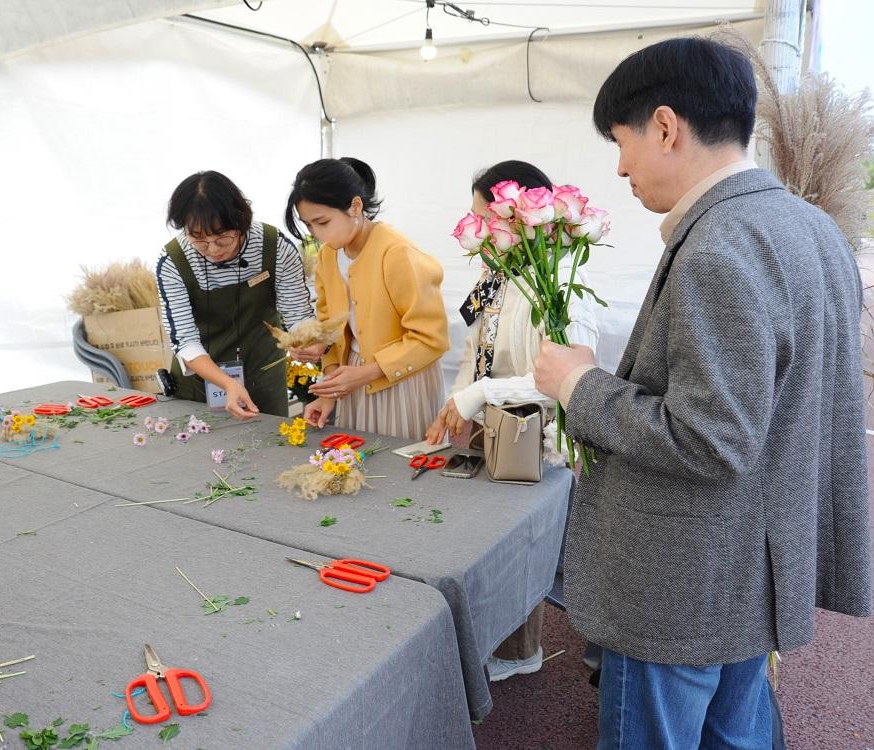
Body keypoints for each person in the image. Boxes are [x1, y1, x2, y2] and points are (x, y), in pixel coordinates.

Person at [533, 37, 872, 748]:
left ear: (664, 126)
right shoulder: (810, 227)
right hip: (753, 567)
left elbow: (710, 436)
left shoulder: (720, 244)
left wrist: (578, 385)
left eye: (621, 142)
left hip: (681, 585)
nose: (619, 166)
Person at [425, 160, 600, 682]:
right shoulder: (494, 272)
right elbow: (472, 346)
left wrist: (478, 395)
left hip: (535, 436)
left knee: (525, 545)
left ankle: (522, 649)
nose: (480, 232)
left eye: (487, 219)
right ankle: (493, 638)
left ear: (523, 217)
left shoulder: (562, 277)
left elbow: (566, 374)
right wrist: (459, 402)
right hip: (490, 422)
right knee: (486, 541)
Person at [285, 157, 449, 439]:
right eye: (309, 225)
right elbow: (332, 326)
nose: (317, 234)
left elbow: (430, 339)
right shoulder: (328, 255)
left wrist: (366, 373)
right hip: (353, 379)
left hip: (402, 383)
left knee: (400, 471)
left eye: (322, 221)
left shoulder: (396, 253)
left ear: (356, 206)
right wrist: (329, 387)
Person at [157, 171, 314, 419]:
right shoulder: (172, 262)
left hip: (263, 372)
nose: (212, 249)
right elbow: (185, 340)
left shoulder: (275, 246)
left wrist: (309, 340)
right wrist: (228, 383)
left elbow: (297, 313)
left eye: (223, 238)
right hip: (200, 379)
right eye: (199, 240)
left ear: (242, 220)